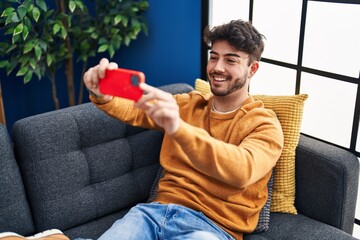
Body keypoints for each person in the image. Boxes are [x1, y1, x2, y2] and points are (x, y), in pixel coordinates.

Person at [0, 19, 283, 240]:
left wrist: (178, 128)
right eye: (213, 56)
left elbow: (241, 170)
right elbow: (137, 110)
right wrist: (104, 94)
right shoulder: (189, 104)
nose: (217, 67)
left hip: (212, 228)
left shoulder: (264, 124)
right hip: (152, 214)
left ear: (252, 69)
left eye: (231, 60)